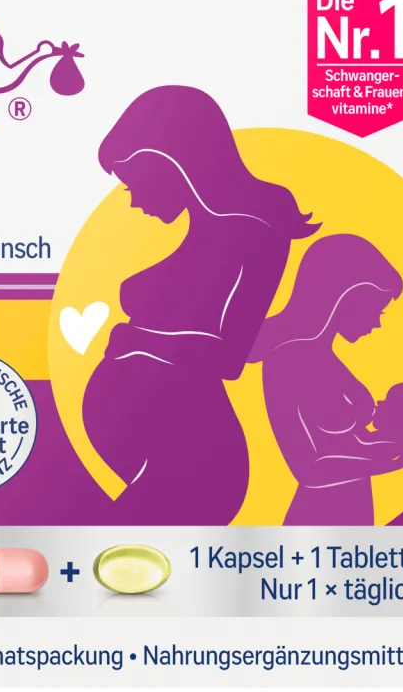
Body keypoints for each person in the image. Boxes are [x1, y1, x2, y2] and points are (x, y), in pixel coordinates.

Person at [82, 86, 318, 524]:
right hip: (164, 443)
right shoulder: (210, 229)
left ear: (169, 161)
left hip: (192, 450)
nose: (133, 200)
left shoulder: (255, 230)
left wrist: (135, 340)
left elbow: (229, 356)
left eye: (133, 183)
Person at [250, 235, 403, 525]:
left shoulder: (329, 361)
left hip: (355, 506)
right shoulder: (287, 360)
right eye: (377, 309)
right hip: (318, 513)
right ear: (346, 296)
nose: (377, 323)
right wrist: (387, 465)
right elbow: (308, 470)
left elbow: (353, 441)